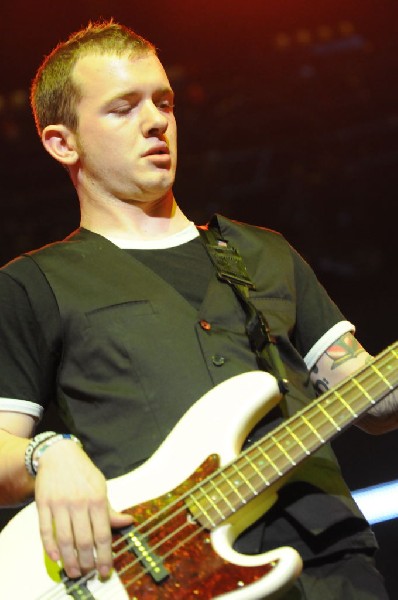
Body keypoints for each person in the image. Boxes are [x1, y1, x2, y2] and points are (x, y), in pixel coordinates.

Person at [0, 20, 396, 599]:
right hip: (164, 579)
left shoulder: (263, 253)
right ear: (63, 142)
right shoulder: (33, 285)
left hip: (331, 567)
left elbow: (372, 398)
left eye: (163, 101)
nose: (157, 120)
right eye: (122, 108)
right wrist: (47, 453)